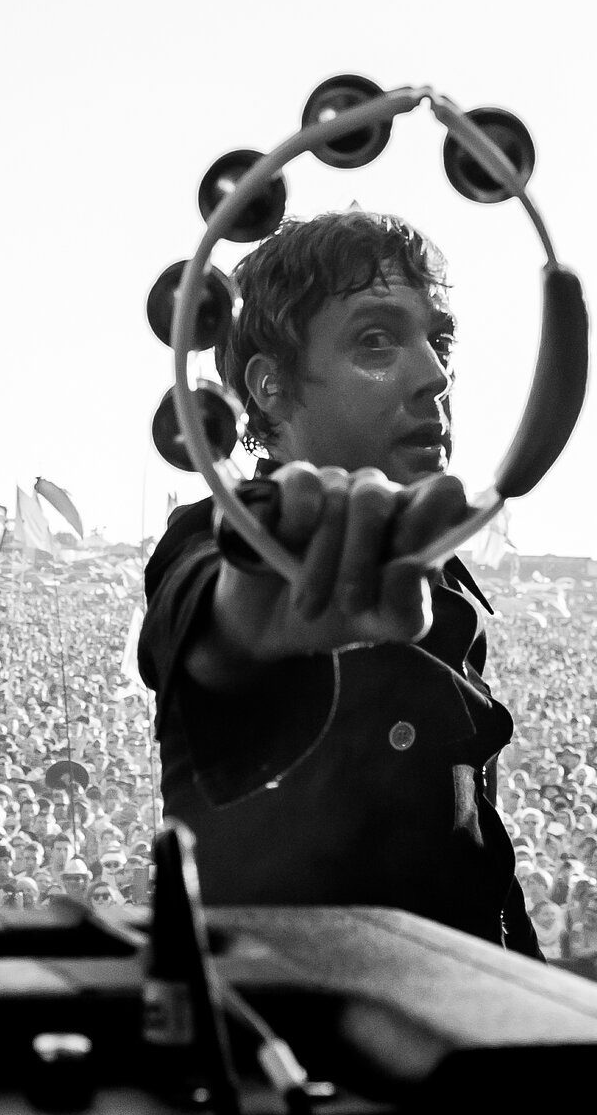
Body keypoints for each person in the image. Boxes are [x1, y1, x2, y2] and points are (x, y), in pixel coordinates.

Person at [139, 211, 539, 959]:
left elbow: (476, 860)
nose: (435, 375)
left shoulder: (442, 575)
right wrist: (246, 619)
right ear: (270, 387)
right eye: (376, 341)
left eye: (440, 340)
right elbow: (209, 613)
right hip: (292, 1017)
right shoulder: (223, 539)